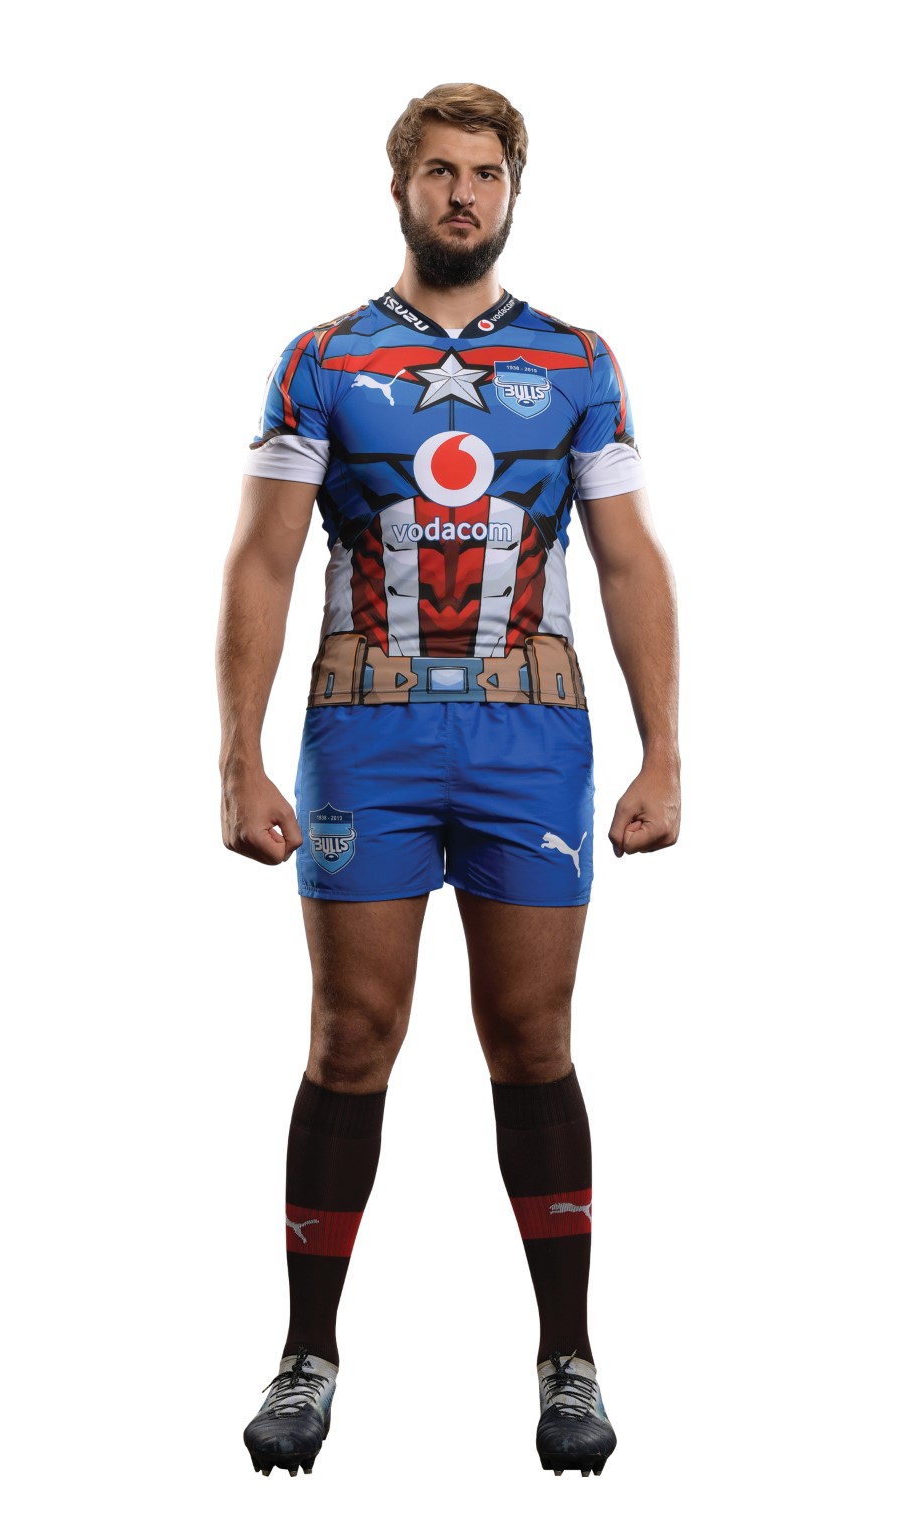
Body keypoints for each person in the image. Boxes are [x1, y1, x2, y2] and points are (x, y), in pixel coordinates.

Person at [216, 82, 680, 1480]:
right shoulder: (323, 361)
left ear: (513, 190)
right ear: (401, 187)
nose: (463, 194)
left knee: (532, 1038)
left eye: (485, 173)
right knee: (350, 1036)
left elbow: (629, 560)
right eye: (440, 172)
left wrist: (666, 751)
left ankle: (568, 1355)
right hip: (366, 735)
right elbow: (263, 560)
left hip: (533, 739)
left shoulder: (578, 361)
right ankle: (307, 1355)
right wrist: (236, 757)